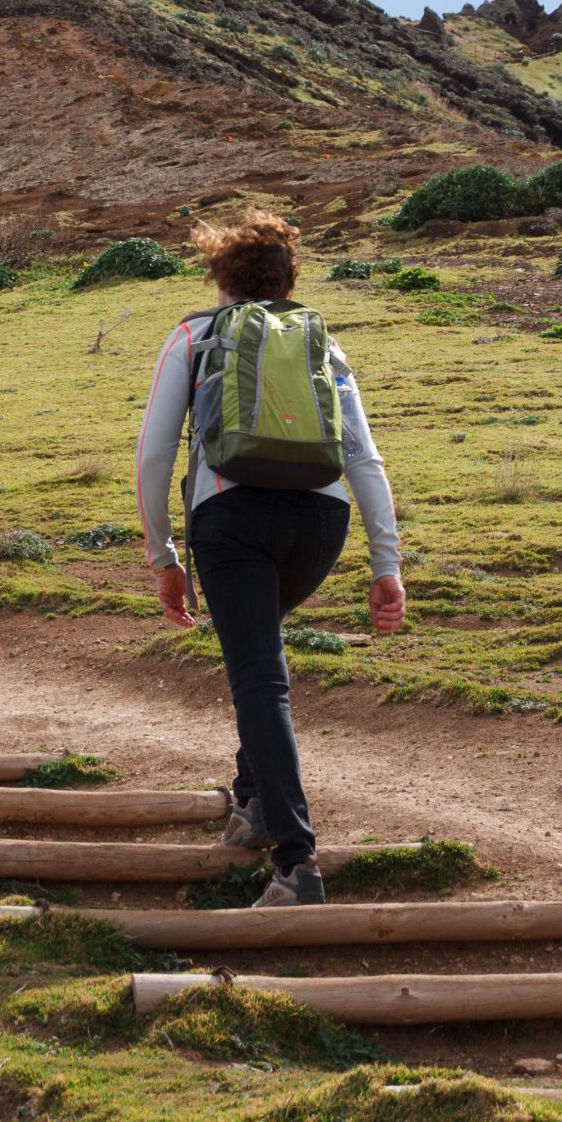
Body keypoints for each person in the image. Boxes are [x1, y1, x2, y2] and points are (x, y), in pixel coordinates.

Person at [133, 211, 405, 908]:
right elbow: (364, 459)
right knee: (259, 655)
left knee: (259, 678)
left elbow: (155, 454)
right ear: (290, 280)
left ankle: (296, 862)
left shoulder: (194, 335)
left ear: (220, 276)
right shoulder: (325, 344)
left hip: (232, 519)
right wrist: (386, 563)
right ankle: (252, 801)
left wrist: (164, 554)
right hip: (322, 521)